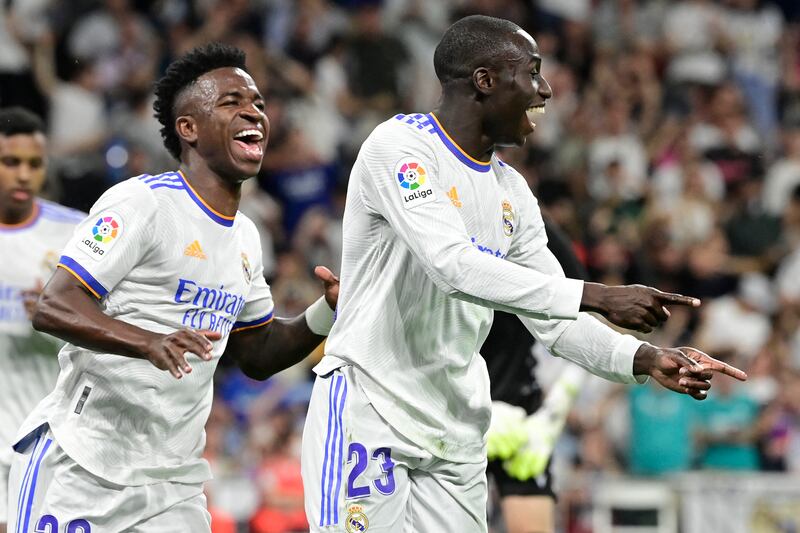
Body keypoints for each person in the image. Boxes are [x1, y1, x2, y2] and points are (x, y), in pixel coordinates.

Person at [301, 15, 746, 533]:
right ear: (485, 81)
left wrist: (645, 358)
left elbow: (553, 321)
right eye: (532, 72)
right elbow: (452, 265)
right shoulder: (400, 148)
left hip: (454, 429)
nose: (546, 89)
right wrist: (595, 293)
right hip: (371, 411)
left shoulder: (512, 192)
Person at [6, 43, 338, 531]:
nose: (253, 111)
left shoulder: (246, 236)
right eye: (231, 102)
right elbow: (55, 304)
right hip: (81, 466)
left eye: (258, 104)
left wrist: (326, 311)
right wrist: (148, 341)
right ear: (189, 129)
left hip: (171, 483)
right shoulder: (143, 204)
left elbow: (257, 352)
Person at [0, 107, 84, 533]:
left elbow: (108, 326)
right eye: (10, 162)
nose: (22, 175)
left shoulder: (75, 233)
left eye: (33, 164)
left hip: (50, 434)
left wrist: (58, 318)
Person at [484, 216, 591, 533]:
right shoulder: (431, 217)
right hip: (451, 414)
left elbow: (586, 322)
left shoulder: (530, 224)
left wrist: (548, 423)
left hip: (520, 419)